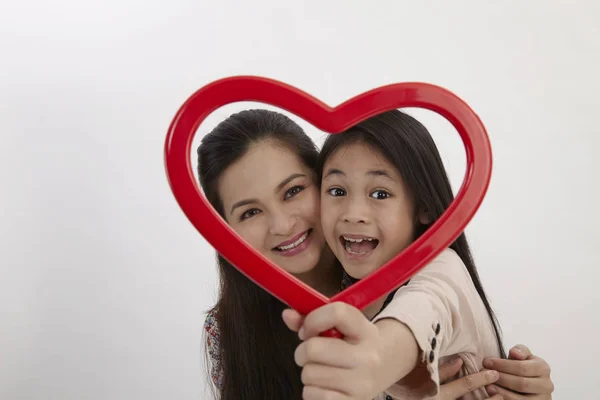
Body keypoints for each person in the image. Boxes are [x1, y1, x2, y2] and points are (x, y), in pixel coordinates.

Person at [197, 109, 554, 399]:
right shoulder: (227, 330)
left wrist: (375, 361)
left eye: (293, 191)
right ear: (224, 231)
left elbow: (425, 307)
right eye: (249, 212)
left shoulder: (425, 274)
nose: (281, 223)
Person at [281, 109, 516, 399]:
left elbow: (422, 309)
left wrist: (371, 362)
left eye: (380, 193)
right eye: (337, 191)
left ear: (424, 207)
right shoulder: (339, 288)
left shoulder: (444, 269)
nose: (354, 214)